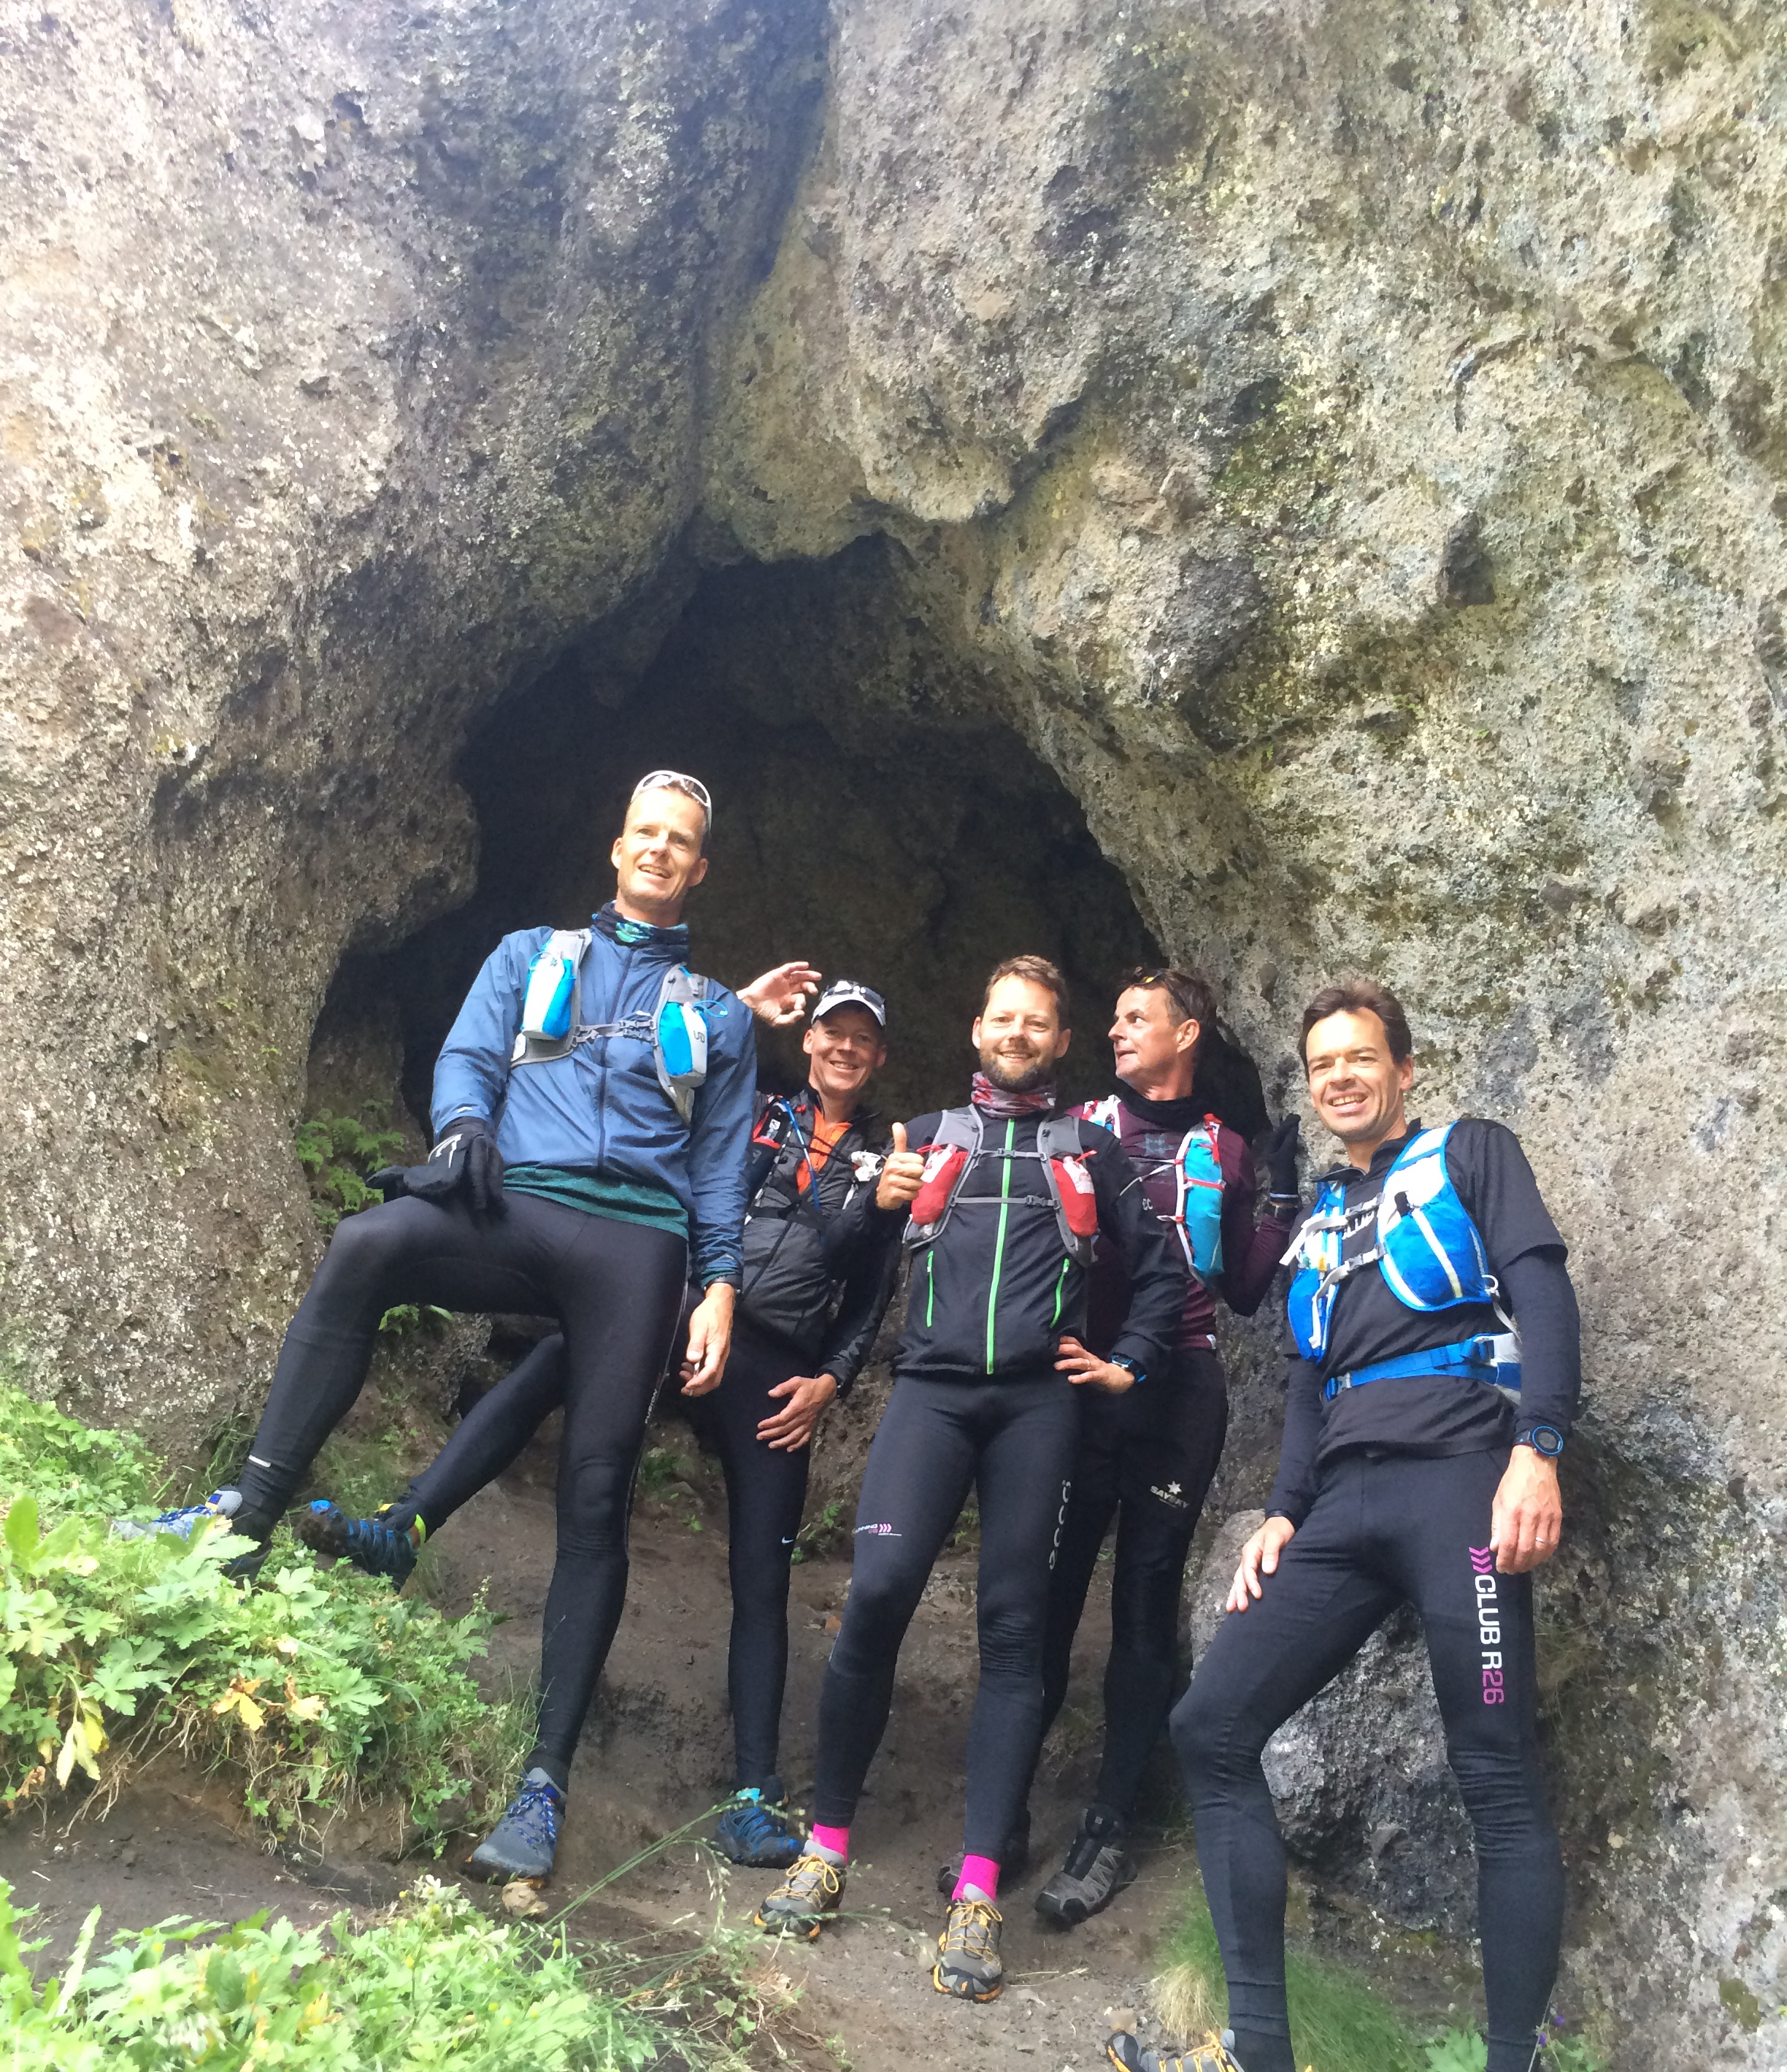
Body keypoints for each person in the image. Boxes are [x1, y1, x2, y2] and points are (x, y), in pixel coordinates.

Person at [209, 771, 757, 1885]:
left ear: (698, 870)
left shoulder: (721, 1014)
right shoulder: (529, 955)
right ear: (617, 850)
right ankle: (246, 1517)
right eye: (644, 833)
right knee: (369, 1245)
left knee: (597, 1491)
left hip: (637, 1240)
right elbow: (469, 1056)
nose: (658, 851)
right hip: (521, 1197)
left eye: (680, 842)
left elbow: (720, 1161)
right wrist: (462, 1126)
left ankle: (543, 1782)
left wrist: (720, 1285)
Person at [1105, 975, 1580, 2072]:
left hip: (1461, 1488)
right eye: (1320, 1063)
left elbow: (1539, 1292)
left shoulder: (1470, 1155)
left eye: (1360, 1057)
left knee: (1494, 1777)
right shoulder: (1319, 1214)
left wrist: (1536, 1445)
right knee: (1208, 1723)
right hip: (1344, 1510)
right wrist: (1277, 1507)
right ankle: (1259, 2061)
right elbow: (1311, 1384)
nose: (1337, 1077)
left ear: (1404, 1069)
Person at [304, 976, 904, 1872]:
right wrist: (733, 1005)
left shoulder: (883, 1164)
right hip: (693, 1308)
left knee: (762, 1568)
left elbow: (872, 1296)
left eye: (862, 1039)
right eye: (832, 1034)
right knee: (556, 1361)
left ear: (879, 1055)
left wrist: (832, 1381)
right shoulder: (756, 1113)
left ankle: (750, 1798)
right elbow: (659, 1085)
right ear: (809, 1042)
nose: (845, 1049)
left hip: (777, 1366)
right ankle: (405, 1525)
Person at [754, 956, 1185, 2003]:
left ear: (1061, 1041)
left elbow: (1165, 1267)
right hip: (931, 1399)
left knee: (1010, 1631)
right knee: (877, 1604)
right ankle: (825, 1850)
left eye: (1039, 1021)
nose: (1020, 1033)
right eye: (1004, 1016)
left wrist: (1128, 1358)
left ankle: (980, 1889)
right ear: (977, 1028)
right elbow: (843, 1257)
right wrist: (883, 1202)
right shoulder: (926, 1137)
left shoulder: (1088, 1147)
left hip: (1038, 1407)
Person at [1028, 967, 1302, 1927]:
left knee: (1144, 1604)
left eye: (1135, 1017)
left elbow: (1243, 1292)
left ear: (1189, 1034)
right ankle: (1007, 1805)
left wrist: (1279, 1195)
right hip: (1082, 1380)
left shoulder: (1224, 1148)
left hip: (1179, 1387)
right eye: (1113, 1017)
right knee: (1052, 1591)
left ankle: (1109, 1825)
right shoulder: (1079, 1125)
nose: (1116, 1030)